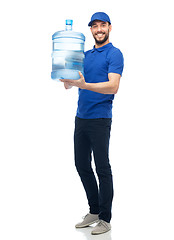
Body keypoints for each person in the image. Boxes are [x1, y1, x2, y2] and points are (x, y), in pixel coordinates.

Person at [60, 12, 124, 235]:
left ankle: (105, 219)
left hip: (100, 119)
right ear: (91, 30)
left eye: (102, 25)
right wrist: (67, 79)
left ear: (109, 28)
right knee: (81, 165)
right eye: (94, 26)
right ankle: (94, 210)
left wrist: (84, 85)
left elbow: (113, 86)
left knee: (102, 168)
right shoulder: (85, 55)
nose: (99, 29)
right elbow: (73, 83)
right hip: (81, 118)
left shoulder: (115, 54)